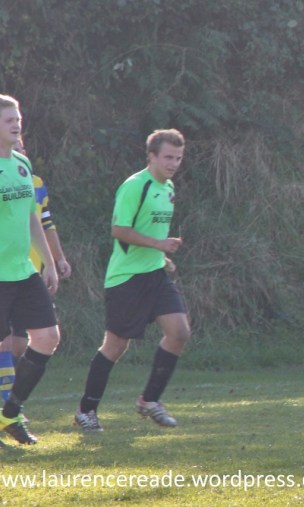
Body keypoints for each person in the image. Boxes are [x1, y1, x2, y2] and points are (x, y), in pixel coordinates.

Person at [74, 129, 190, 432]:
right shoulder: (135, 186)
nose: (174, 163)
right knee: (115, 346)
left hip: (155, 275)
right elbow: (120, 230)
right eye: (168, 157)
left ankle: (149, 400)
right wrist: (158, 244)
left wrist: (162, 256)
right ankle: (86, 410)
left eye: (178, 158)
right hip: (127, 279)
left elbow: (149, 230)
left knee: (179, 332)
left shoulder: (168, 188)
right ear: (151, 156)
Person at [0, 94, 61, 448]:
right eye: (9, 119)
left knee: (48, 338)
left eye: (18, 118)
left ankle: (9, 414)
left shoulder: (22, 163)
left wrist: (47, 262)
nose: (17, 124)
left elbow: (31, 217)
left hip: (24, 272)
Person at [0, 137, 72, 403]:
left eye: (20, 148)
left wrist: (57, 259)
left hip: (30, 273)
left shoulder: (36, 184)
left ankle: (7, 389)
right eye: (11, 148)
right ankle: (9, 404)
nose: (16, 153)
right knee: (3, 340)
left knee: (20, 343)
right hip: (2, 270)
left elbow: (45, 224)